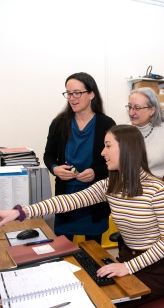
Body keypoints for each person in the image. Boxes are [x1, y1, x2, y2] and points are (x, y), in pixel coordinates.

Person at [0, 125, 164, 308]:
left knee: (100, 302)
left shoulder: (157, 190)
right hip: (126, 259)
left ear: (127, 148)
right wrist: (20, 212)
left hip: (155, 268)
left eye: (108, 146)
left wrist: (128, 267)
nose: (103, 152)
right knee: (85, 290)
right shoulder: (111, 185)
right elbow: (68, 201)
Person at [44, 72, 116, 244]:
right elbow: (48, 155)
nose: (72, 98)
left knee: (92, 252)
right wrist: (55, 169)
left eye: (77, 93)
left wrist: (95, 172)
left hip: (94, 199)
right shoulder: (59, 123)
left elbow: (114, 162)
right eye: (69, 93)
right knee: (63, 248)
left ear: (91, 94)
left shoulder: (106, 124)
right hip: (66, 197)